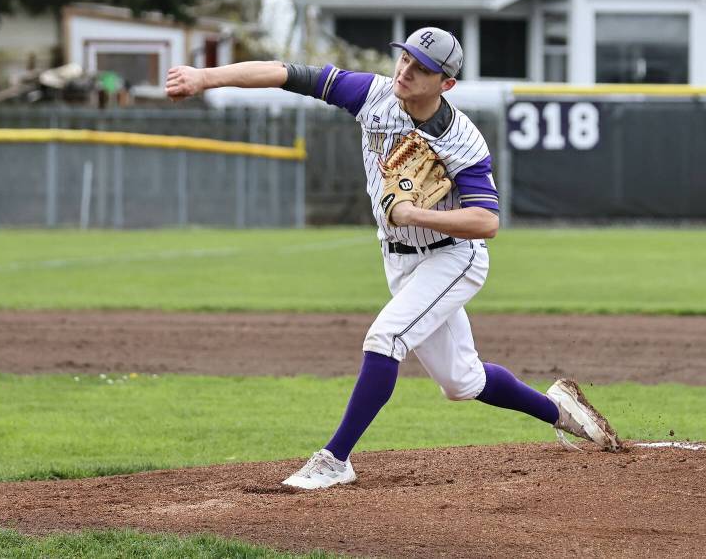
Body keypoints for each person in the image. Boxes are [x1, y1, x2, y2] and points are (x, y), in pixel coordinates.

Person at [165, 27, 620, 490]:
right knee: (462, 382)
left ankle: (335, 459)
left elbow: (487, 222)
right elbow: (287, 74)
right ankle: (562, 412)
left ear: (446, 84)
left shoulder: (462, 139)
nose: (405, 71)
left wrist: (412, 213)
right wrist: (205, 77)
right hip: (399, 261)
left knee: (385, 338)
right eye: (404, 59)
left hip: (453, 259)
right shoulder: (373, 94)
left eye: (421, 68)